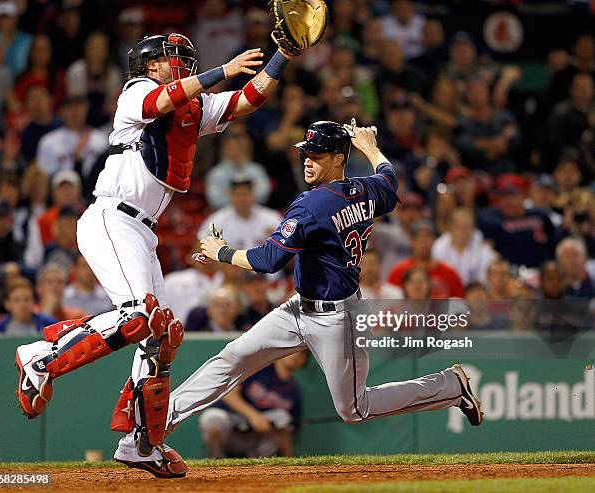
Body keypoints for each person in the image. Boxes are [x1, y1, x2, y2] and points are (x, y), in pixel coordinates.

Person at [15, 31, 301, 478]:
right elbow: (158, 104)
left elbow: (248, 100)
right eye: (174, 59)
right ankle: (41, 358)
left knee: (161, 333)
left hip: (142, 230)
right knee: (138, 316)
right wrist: (221, 70)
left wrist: (284, 55)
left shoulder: (192, 105)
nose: (181, 64)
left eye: (185, 59)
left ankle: (141, 442)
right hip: (113, 216)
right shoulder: (136, 92)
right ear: (151, 64)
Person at [160, 121, 483, 464]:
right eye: (305, 154)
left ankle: (450, 386)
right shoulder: (364, 190)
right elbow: (389, 181)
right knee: (233, 356)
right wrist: (371, 149)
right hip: (299, 308)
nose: (308, 161)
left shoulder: (314, 205)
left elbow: (269, 261)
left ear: (338, 158)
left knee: (355, 409)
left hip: (340, 319)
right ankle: (160, 420)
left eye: (317, 154)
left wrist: (221, 252)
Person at [199, 351, 307, 458]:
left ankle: (254, 466)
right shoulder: (258, 369)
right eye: (293, 351)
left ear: (304, 361)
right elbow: (229, 394)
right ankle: (216, 460)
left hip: (257, 440)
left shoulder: (294, 391)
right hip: (233, 426)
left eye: (302, 354)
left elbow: (288, 433)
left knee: (283, 418)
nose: (296, 355)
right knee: (212, 417)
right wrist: (253, 416)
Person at [387, 220, 464, 299]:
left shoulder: (449, 272)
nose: (424, 242)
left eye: (427, 237)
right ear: (411, 242)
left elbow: (459, 304)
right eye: (419, 238)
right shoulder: (399, 271)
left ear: (434, 241)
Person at [197, 179, 282, 249]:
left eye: (246, 194)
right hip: (231, 267)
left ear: (253, 194)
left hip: (266, 268)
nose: (242, 198)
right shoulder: (217, 220)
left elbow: (290, 251)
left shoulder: (272, 218)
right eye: (237, 194)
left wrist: (277, 239)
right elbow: (199, 247)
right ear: (230, 195)